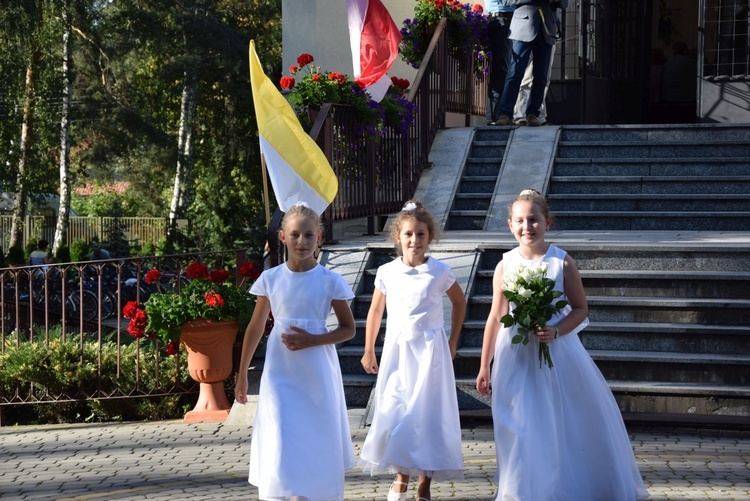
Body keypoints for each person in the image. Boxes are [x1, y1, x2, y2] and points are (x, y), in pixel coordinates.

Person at [475, 189, 650, 501]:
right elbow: (496, 316)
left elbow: (581, 308)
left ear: (547, 222)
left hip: (557, 354)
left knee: (556, 419)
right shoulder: (505, 265)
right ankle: (520, 490)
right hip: (515, 355)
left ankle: (562, 485)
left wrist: (555, 331)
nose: (527, 226)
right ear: (509, 225)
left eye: (534, 219)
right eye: (520, 220)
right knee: (516, 423)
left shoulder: (561, 262)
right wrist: (484, 364)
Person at [234, 203, 356, 501]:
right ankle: (283, 491)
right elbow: (254, 329)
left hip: (317, 370)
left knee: (315, 430)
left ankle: (313, 492)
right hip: (280, 371)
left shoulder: (330, 281)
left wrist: (312, 340)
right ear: (282, 237)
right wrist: (241, 376)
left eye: (308, 235)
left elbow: (347, 329)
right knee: (281, 428)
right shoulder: (271, 279)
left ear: (320, 238)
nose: (302, 241)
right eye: (295, 234)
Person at [359, 200, 466, 501]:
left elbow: (459, 303)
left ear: (429, 237)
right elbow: (376, 310)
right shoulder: (387, 272)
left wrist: (453, 340)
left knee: (425, 413)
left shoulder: (440, 271)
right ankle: (400, 475)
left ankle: (424, 481)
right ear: (398, 237)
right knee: (396, 409)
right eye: (408, 234)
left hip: (429, 353)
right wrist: (369, 349)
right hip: (397, 350)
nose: (414, 241)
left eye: (420, 234)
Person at [494, 0, 568, 127]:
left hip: (547, 28)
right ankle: (505, 114)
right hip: (523, 26)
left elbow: (564, 3)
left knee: (541, 76)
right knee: (515, 73)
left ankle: (533, 114)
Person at [486, 1, 515, 125]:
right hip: (502, 19)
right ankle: (498, 115)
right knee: (502, 69)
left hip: (503, 19)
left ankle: (497, 114)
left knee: (501, 68)